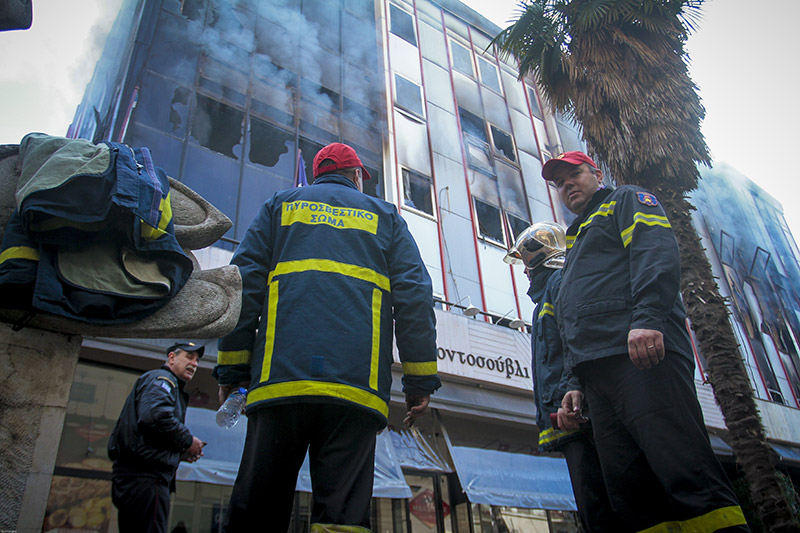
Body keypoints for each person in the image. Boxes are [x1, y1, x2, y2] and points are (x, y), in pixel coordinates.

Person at [214, 142, 440, 532]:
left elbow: (242, 287)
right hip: (355, 389)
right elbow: (415, 299)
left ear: (318, 175)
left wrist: (232, 370)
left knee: (257, 510)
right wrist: (419, 380)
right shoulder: (385, 216)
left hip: (278, 384)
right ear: (357, 177)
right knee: (342, 519)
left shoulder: (279, 207)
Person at [543, 151, 749, 532]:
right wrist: (574, 383)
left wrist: (648, 319)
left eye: (574, 174)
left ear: (597, 174)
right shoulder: (577, 238)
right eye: (559, 182)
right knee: (632, 495)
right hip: (597, 375)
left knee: (686, 472)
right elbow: (574, 320)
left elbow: (654, 253)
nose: (567, 184)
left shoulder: (626, 199)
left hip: (641, 356)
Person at [505, 222, 620, 532]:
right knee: (594, 509)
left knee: (601, 510)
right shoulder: (547, 294)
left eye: (525, 262)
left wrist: (572, 389)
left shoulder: (558, 283)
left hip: (578, 416)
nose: (524, 271)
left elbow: (575, 340)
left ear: (536, 257)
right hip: (568, 417)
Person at [107, 342, 206, 533]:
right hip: (146, 477)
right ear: (171, 357)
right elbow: (155, 415)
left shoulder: (165, 383)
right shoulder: (162, 379)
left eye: (197, 360)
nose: (194, 363)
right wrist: (188, 441)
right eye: (189, 356)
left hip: (139, 477)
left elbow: (152, 427)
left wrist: (179, 451)